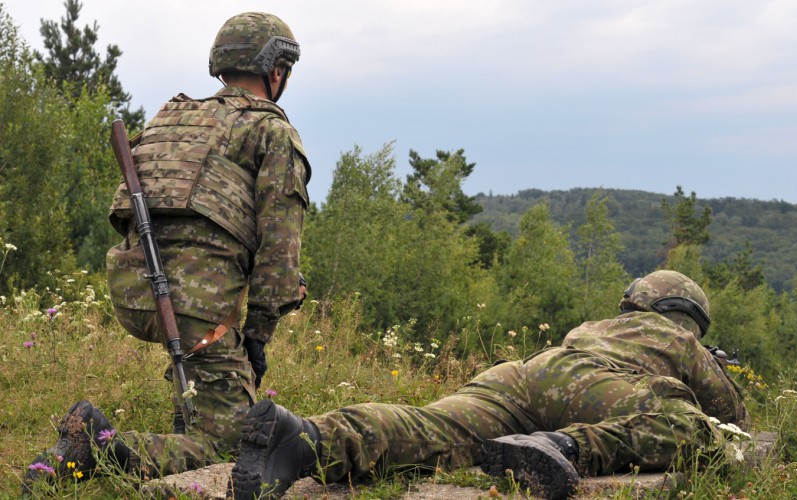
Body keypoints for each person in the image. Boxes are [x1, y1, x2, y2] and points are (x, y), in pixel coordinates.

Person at [24, 11, 310, 491]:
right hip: (196, 302)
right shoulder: (272, 132)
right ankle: (94, 443)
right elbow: (280, 252)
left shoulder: (176, 116)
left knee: (204, 401)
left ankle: (83, 460)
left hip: (136, 287)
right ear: (275, 69)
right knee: (228, 444)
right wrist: (258, 336)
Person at [230, 270, 750, 499]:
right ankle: (560, 446)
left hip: (526, 374)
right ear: (687, 318)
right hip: (590, 391)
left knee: (433, 427)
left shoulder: (598, 327)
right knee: (696, 430)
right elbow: (731, 419)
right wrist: (715, 368)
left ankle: (305, 439)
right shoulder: (680, 341)